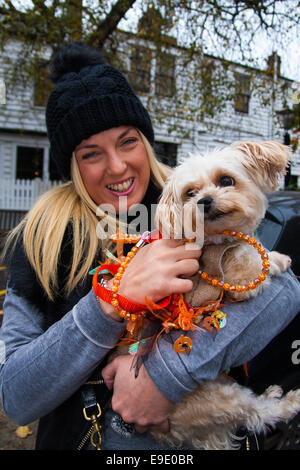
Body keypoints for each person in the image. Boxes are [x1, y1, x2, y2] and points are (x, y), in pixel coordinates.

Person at [0, 42, 299, 451]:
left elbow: (282, 290)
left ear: (145, 139)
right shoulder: (42, 239)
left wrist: (162, 376)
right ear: (70, 164)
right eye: (91, 153)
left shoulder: (190, 198)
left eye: (127, 142)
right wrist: (109, 303)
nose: (118, 166)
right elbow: (16, 397)